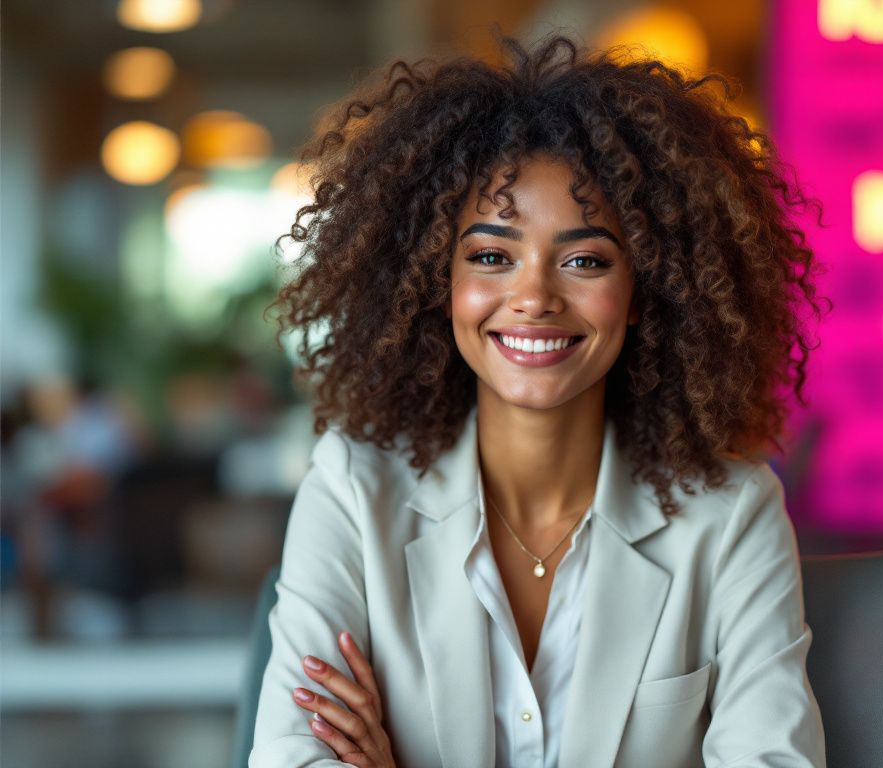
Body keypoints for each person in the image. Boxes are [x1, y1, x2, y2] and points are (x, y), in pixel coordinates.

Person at [250, 34, 829, 768]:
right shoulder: (351, 491)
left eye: (585, 260)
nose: (533, 298)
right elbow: (291, 758)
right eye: (492, 256)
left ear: (646, 288)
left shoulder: (731, 514)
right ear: (438, 280)